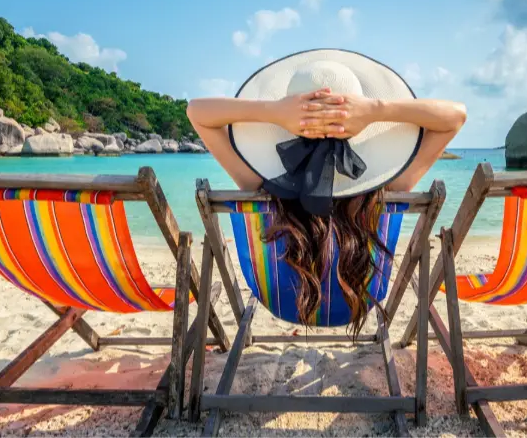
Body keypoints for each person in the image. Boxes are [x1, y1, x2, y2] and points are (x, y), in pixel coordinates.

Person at [187, 49, 466, 335]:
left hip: (282, 303)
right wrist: (375, 110)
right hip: (356, 301)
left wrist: (274, 112)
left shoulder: (256, 184)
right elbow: (456, 116)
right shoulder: (390, 188)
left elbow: (196, 111)